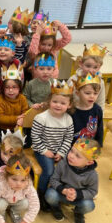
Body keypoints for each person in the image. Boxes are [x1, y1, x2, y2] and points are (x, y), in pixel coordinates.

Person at [31, 80, 74, 211]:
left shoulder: (68, 119)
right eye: (55, 101)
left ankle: (63, 193)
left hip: (60, 151)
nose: (58, 105)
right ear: (49, 101)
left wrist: (61, 152)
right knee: (49, 171)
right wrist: (44, 151)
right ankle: (41, 195)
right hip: (42, 150)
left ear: (69, 105)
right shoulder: (41, 118)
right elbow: (35, 137)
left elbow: (68, 138)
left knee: (72, 167)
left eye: (63, 103)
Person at [45, 138, 100, 223]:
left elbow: (92, 192)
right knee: (50, 195)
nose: (71, 156)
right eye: (71, 151)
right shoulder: (63, 163)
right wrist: (63, 190)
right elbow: (53, 180)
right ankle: (55, 208)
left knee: (89, 205)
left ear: (89, 162)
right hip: (61, 193)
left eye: (78, 156)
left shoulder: (93, 175)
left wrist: (77, 194)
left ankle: (78, 212)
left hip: (78, 198)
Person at [0, 155, 39, 223]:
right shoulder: (0, 181)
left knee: (26, 202)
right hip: (3, 200)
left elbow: (35, 204)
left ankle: (15, 212)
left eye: (23, 180)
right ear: (6, 175)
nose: (18, 184)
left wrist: (24, 222)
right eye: (14, 179)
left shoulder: (28, 183)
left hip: (18, 201)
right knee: (0, 205)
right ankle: (1, 215)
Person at [0, 64, 28, 142]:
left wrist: (22, 119)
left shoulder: (22, 98)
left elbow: (25, 113)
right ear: (3, 88)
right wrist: (16, 118)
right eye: (7, 87)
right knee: (6, 140)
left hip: (17, 127)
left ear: (19, 88)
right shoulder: (0, 99)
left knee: (26, 141)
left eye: (14, 87)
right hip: (1, 128)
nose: (11, 90)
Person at [69, 44, 106, 112]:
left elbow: (101, 102)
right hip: (73, 112)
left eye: (95, 67)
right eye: (88, 66)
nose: (91, 70)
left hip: (90, 114)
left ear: (100, 67)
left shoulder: (100, 82)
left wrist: (100, 116)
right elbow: (67, 98)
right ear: (81, 64)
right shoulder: (73, 80)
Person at [72, 73, 103, 146]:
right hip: (72, 148)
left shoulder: (97, 109)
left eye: (95, 93)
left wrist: (99, 144)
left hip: (88, 147)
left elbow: (100, 129)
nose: (92, 96)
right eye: (87, 93)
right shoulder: (71, 110)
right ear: (77, 93)